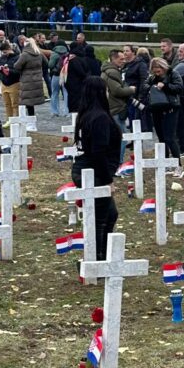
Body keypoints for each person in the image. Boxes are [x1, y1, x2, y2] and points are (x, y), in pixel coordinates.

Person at [71, 76, 120, 259]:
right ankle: (96, 258)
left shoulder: (87, 114)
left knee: (110, 214)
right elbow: (98, 152)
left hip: (89, 169)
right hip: (94, 172)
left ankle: (105, 254)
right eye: (106, 90)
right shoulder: (99, 118)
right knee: (100, 218)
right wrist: (108, 180)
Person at [140, 57, 184, 177]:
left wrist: (165, 86)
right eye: (154, 71)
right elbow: (144, 87)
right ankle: (165, 163)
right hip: (156, 109)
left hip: (171, 108)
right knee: (161, 139)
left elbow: (179, 88)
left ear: (164, 68)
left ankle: (178, 165)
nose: (157, 73)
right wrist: (150, 87)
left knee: (170, 137)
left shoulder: (173, 74)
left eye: (159, 71)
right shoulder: (152, 78)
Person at [101, 50, 136, 162]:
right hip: (115, 108)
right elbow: (117, 91)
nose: (123, 61)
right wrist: (130, 90)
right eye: (121, 59)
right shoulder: (112, 72)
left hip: (111, 107)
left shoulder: (107, 71)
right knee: (122, 138)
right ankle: (117, 162)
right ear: (114, 59)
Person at [14, 36, 46, 115]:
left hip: (27, 80)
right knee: (30, 104)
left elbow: (17, 66)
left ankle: (29, 121)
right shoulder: (38, 52)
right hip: (37, 80)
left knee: (27, 102)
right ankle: (31, 120)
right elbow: (46, 63)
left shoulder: (25, 54)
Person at [0, 41, 21, 121]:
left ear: (9, 49)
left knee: (15, 104)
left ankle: (16, 120)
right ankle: (8, 120)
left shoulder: (17, 57)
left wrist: (9, 71)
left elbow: (18, 72)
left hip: (14, 83)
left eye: (5, 52)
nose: (4, 54)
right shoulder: (2, 57)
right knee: (7, 104)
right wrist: (0, 68)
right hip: (4, 83)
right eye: (3, 52)